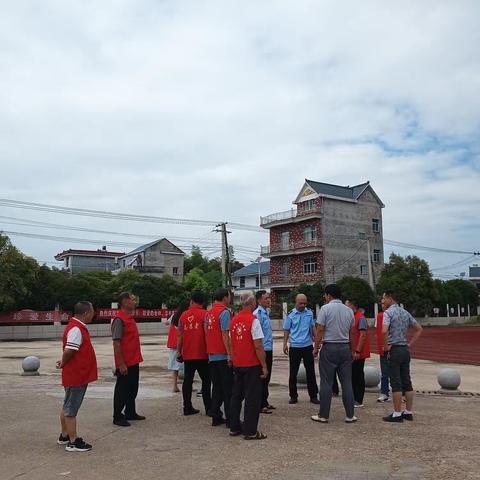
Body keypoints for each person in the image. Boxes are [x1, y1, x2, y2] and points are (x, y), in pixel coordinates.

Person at [311, 284, 356, 424]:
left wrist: (316, 347)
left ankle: (323, 415)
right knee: (347, 383)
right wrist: (352, 351)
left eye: (325, 295)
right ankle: (350, 415)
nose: (324, 298)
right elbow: (351, 333)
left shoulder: (325, 309)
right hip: (344, 348)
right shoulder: (349, 311)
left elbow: (319, 330)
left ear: (329, 295)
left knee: (326, 382)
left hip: (329, 347)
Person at [56, 301, 97, 452]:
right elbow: (70, 351)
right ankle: (73, 442)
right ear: (86, 313)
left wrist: (63, 361)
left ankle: (64, 435)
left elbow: (70, 351)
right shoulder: (76, 329)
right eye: (92, 311)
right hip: (76, 375)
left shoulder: (76, 327)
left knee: (67, 405)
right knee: (71, 409)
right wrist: (64, 361)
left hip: (75, 373)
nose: (94, 314)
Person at [229, 291, 268, 440]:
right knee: (252, 398)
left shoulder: (233, 321)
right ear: (252, 303)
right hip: (251, 364)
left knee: (236, 396)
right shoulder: (253, 320)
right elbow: (258, 346)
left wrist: (233, 360)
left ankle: (234, 427)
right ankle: (251, 431)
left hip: (238, 364)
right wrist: (264, 365)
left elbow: (231, 344)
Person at [382, 291, 423, 422]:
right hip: (404, 349)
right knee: (407, 380)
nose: (382, 301)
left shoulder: (388, 313)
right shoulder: (405, 312)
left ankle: (397, 413)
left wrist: (386, 346)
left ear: (389, 298)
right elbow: (419, 328)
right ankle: (408, 411)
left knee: (395, 382)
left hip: (394, 348)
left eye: (384, 299)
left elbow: (384, 330)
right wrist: (409, 344)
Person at [111, 292, 145, 427]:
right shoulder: (119, 320)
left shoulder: (130, 318)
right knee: (122, 390)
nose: (135, 301)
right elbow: (116, 343)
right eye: (132, 299)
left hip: (134, 360)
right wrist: (120, 363)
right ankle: (117, 416)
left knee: (132, 388)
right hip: (125, 362)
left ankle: (130, 412)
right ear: (124, 302)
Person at [177, 291, 212, 416]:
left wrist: (178, 352)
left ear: (191, 301)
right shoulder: (205, 315)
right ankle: (209, 408)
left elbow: (180, 335)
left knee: (188, 380)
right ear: (203, 303)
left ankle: (187, 407)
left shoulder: (183, 315)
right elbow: (207, 334)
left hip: (188, 354)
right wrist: (210, 351)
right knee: (206, 381)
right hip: (202, 353)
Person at [283, 293, 319, 405]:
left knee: (311, 372)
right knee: (293, 373)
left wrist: (317, 343)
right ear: (296, 302)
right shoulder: (290, 315)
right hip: (295, 347)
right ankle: (293, 396)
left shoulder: (309, 313)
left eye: (305, 303)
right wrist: (285, 344)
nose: (303, 305)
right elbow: (286, 329)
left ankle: (313, 396)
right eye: (301, 303)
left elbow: (313, 328)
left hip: (307, 346)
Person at [205, 288, 233, 427]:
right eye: (229, 296)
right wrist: (229, 354)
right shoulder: (224, 312)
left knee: (216, 388)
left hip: (212, 355)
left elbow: (206, 334)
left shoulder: (208, 313)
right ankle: (230, 419)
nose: (230, 299)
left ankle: (215, 416)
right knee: (228, 389)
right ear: (225, 297)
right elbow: (225, 334)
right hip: (222, 355)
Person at [346, 300, 370, 408]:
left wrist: (357, 351)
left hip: (358, 353)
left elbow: (362, 335)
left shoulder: (360, 318)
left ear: (352, 305)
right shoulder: (353, 317)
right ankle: (354, 397)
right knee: (353, 375)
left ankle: (358, 399)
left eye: (347, 305)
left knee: (358, 375)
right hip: (353, 352)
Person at [253, 290, 274, 414]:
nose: (269, 300)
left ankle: (264, 401)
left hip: (269, 348)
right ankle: (260, 404)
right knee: (262, 377)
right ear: (259, 300)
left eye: (269, 298)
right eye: (266, 298)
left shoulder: (266, 312)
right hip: (263, 349)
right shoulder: (258, 314)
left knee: (267, 377)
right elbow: (257, 334)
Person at [167, 305, 186, 393]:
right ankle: (189, 385)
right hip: (181, 344)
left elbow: (166, 323)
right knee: (187, 366)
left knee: (175, 367)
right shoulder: (184, 317)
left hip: (172, 344)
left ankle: (174, 386)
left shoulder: (173, 316)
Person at [376, 298, 390, 402]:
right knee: (384, 372)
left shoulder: (391, 315)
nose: (382, 305)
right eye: (381, 303)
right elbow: (379, 333)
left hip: (392, 346)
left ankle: (402, 392)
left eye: (383, 303)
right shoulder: (380, 316)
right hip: (384, 347)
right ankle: (384, 392)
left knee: (396, 371)